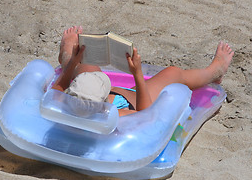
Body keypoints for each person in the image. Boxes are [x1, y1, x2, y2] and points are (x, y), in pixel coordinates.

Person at [52, 26, 234, 116]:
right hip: (133, 99)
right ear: (103, 101)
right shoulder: (115, 115)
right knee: (172, 73)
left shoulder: (62, 104)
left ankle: (67, 57)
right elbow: (144, 113)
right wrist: (137, 73)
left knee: (82, 64)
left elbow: (58, 87)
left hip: (88, 98)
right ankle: (214, 71)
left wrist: (74, 62)